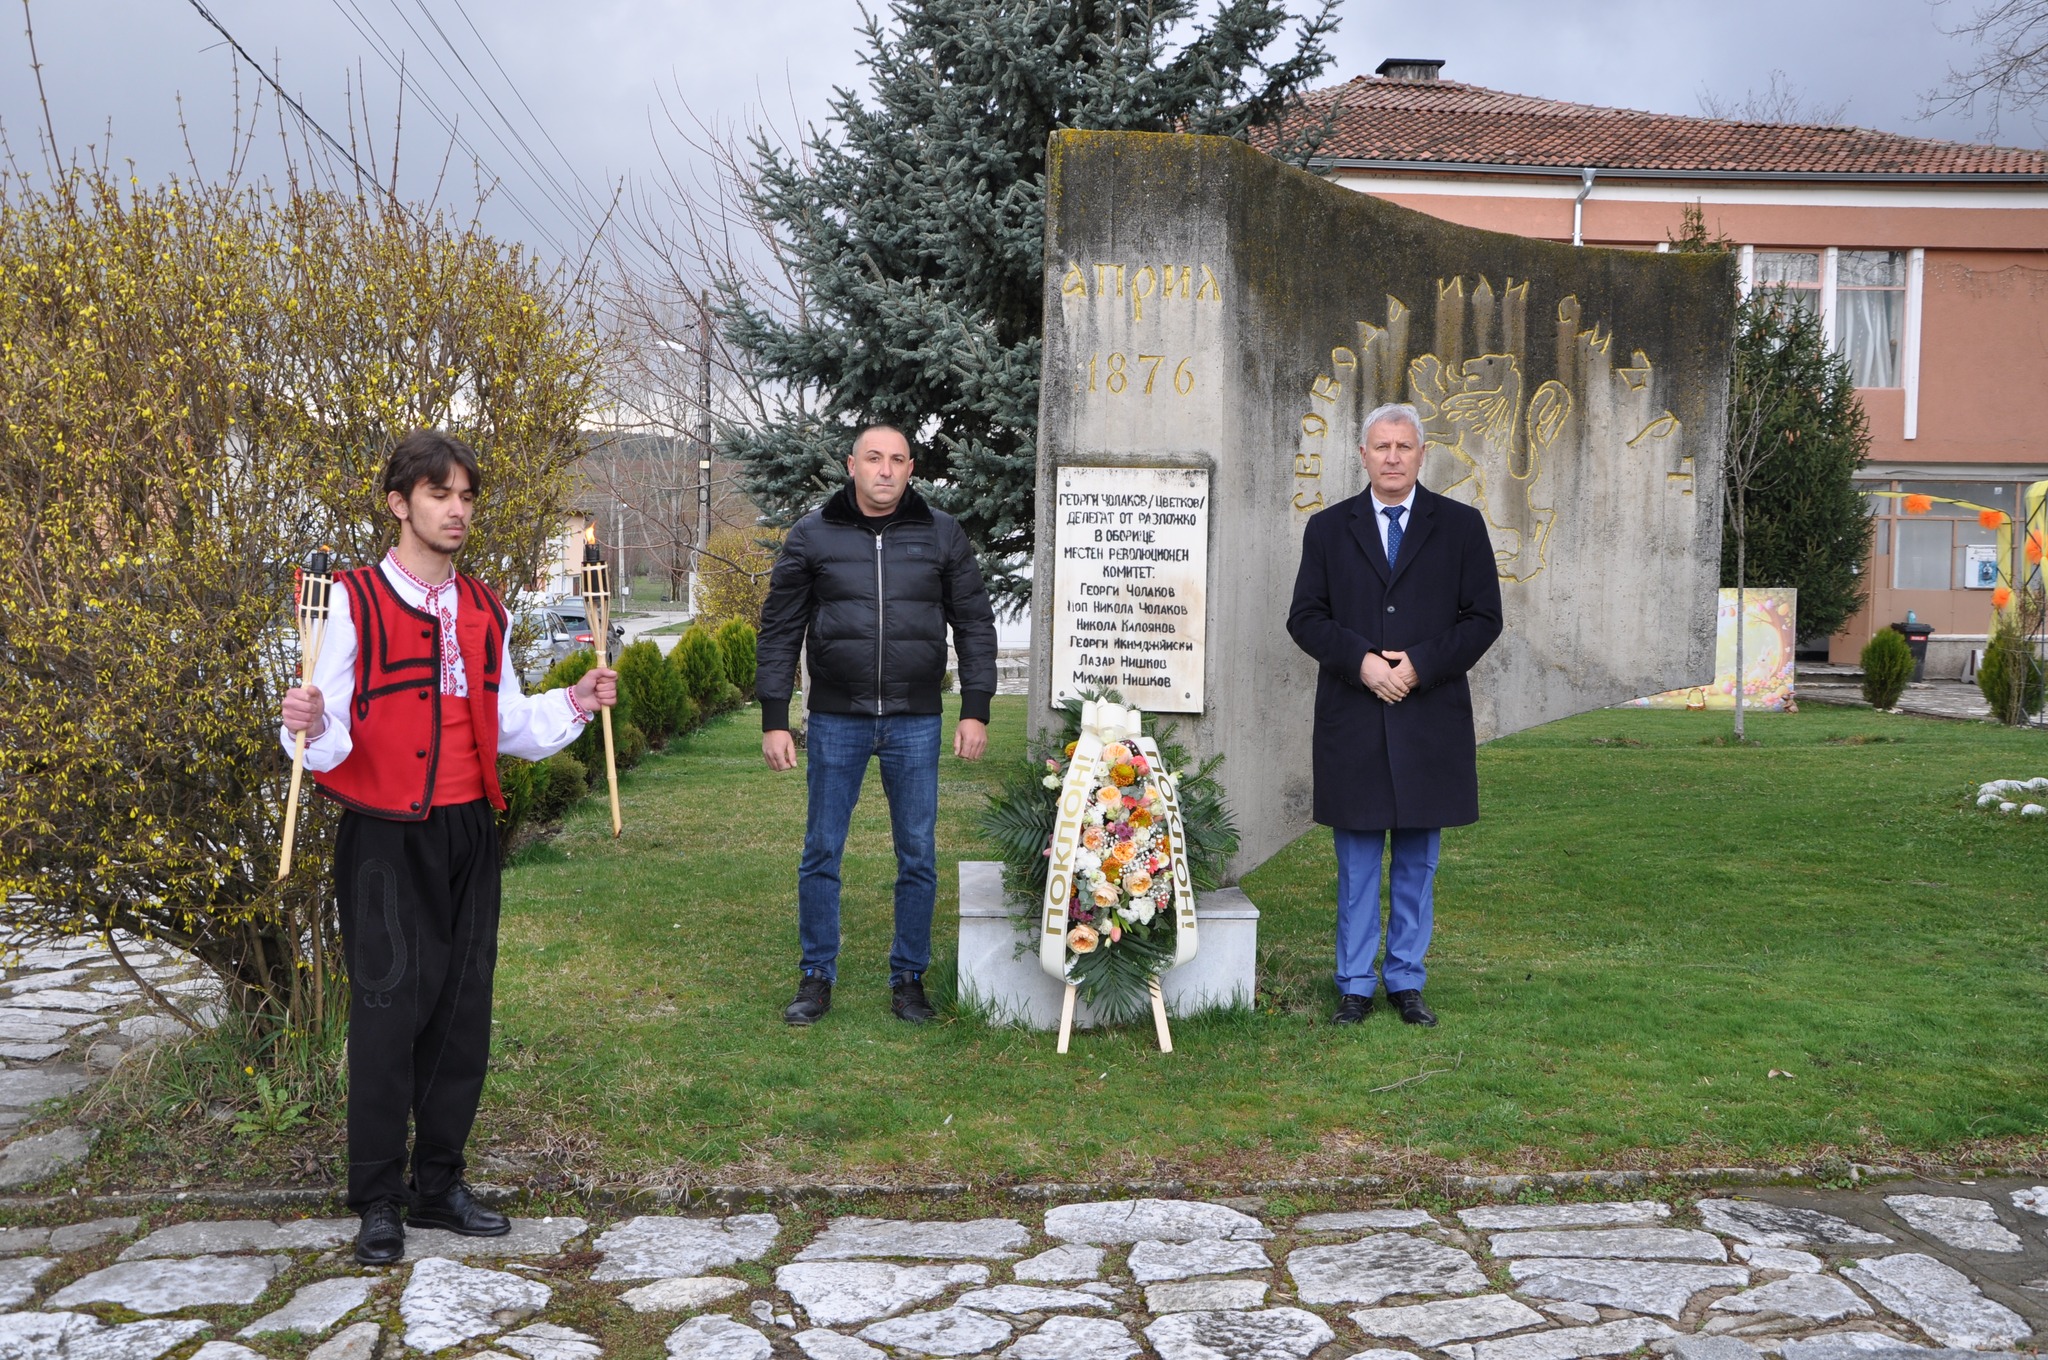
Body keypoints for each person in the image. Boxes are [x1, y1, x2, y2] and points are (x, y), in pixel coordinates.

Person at [279, 430, 617, 1265]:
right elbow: (325, 736)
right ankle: (378, 1198)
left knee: (463, 1014)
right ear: (400, 504)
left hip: (469, 828)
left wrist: (576, 700)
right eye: (439, 495)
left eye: (465, 496)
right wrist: (306, 724)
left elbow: (506, 724)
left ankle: (438, 1185)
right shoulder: (350, 602)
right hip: (384, 836)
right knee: (388, 1011)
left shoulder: (486, 607)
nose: (456, 510)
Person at [757, 423, 999, 1027]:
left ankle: (908, 978)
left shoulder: (942, 533)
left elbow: (974, 624)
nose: (885, 469)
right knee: (821, 850)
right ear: (852, 466)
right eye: (873, 458)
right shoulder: (812, 533)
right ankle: (816, 976)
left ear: (911, 469)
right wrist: (775, 718)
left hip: (915, 720)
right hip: (835, 718)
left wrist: (975, 708)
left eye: (896, 459)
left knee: (917, 853)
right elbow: (780, 628)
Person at [1286, 403, 1503, 1028]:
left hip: (1429, 719)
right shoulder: (1328, 529)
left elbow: (1483, 618)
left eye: (1403, 446)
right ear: (1362, 455)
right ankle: (1354, 985)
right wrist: (1362, 663)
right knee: (1356, 866)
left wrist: (1418, 666)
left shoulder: (1461, 526)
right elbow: (1306, 618)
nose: (1392, 457)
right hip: (1353, 720)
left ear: (1421, 453)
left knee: (1416, 864)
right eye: (1381, 446)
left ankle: (1406, 980)